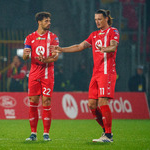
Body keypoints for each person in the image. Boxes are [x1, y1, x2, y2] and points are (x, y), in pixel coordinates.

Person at [51, 9, 119, 143]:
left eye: (100, 19)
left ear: (106, 19)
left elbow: (113, 47)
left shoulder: (113, 31)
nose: (97, 22)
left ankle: (108, 135)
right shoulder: (94, 35)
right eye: (95, 19)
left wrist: (105, 49)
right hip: (96, 74)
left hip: (107, 72)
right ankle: (105, 131)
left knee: (102, 101)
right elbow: (79, 46)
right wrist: (62, 49)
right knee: (91, 104)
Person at [23, 12, 59, 141]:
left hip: (47, 74)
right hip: (33, 74)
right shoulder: (29, 38)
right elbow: (25, 56)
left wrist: (46, 60)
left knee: (46, 102)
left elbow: (55, 56)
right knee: (33, 103)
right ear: (39, 22)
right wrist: (25, 54)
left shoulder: (54, 37)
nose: (49, 23)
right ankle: (33, 134)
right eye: (46, 21)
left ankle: (46, 134)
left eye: (49, 21)